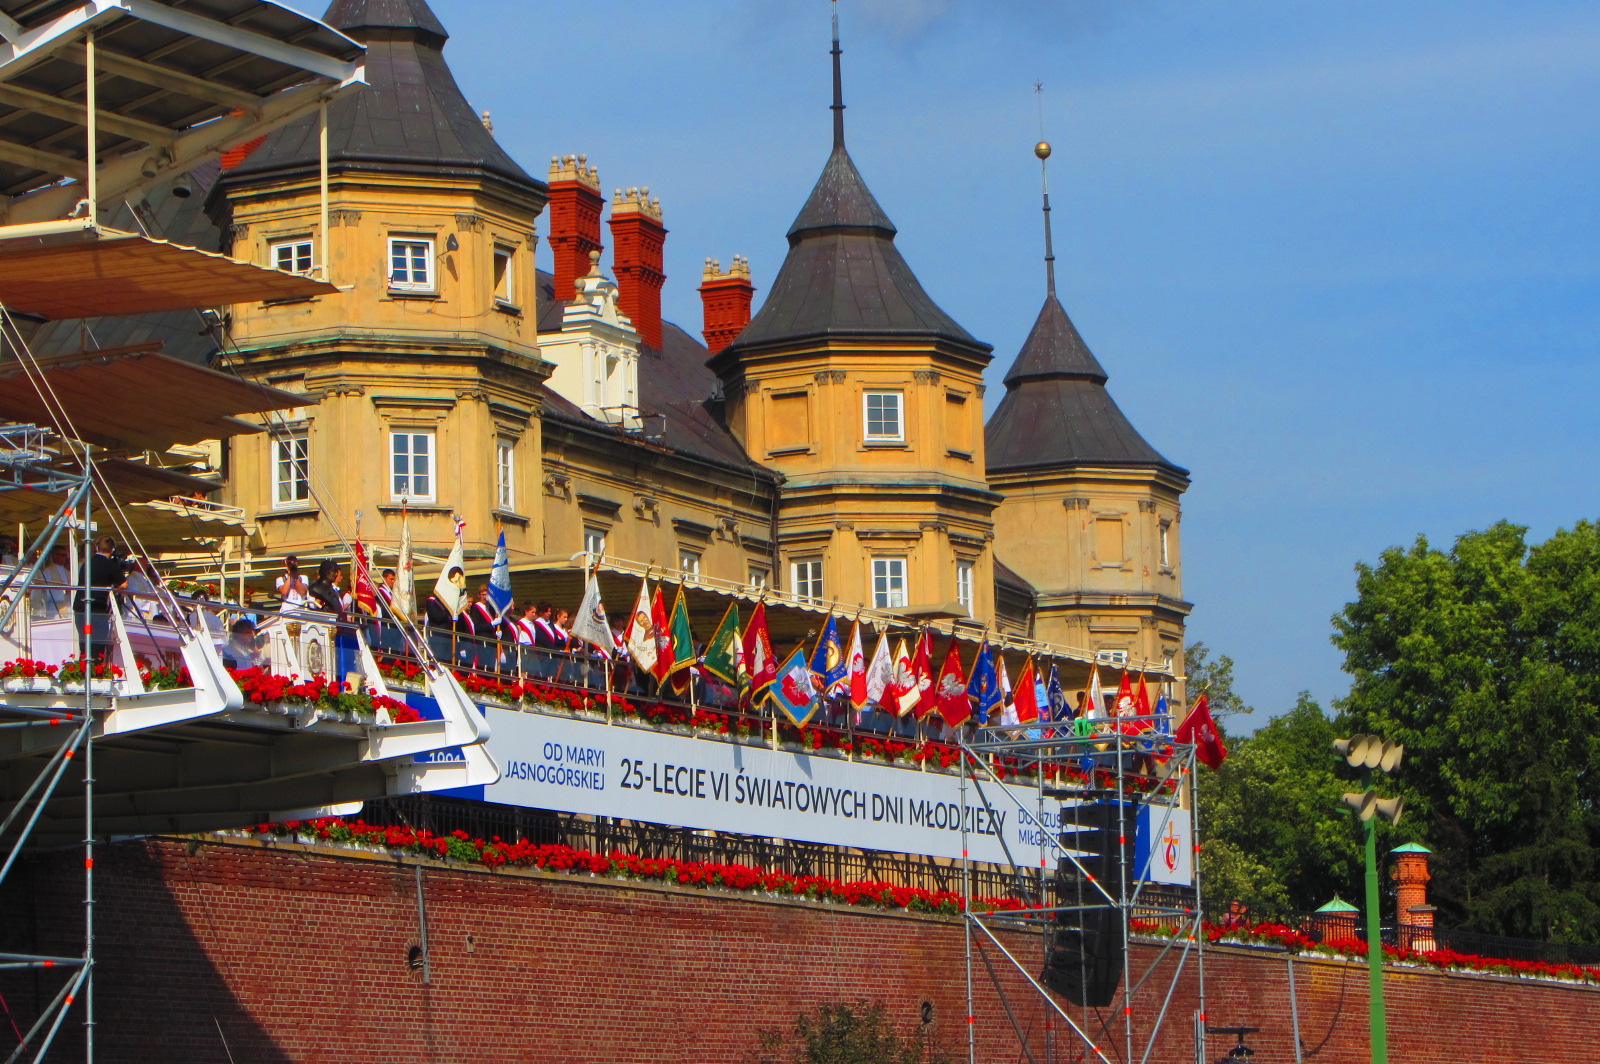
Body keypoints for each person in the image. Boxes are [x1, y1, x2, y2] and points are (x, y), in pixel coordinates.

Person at [74, 536, 126, 662]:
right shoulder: (110, 565)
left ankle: (83, 667)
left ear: (97, 548)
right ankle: (95, 668)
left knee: (84, 643)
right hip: (97, 608)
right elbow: (124, 584)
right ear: (112, 549)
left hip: (80, 608)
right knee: (98, 644)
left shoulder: (87, 563)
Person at [33, 544, 70, 619]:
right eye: (62, 555)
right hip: (53, 607)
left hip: (67, 605)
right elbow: (46, 591)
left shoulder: (68, 572)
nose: (65, 558)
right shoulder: (48, 571)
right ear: (55, 555)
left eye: (65, 555)